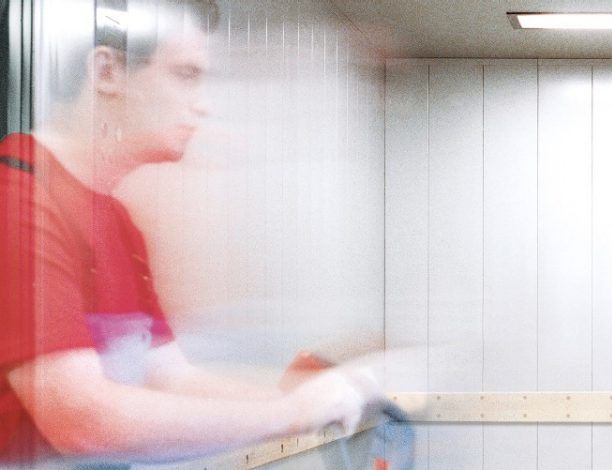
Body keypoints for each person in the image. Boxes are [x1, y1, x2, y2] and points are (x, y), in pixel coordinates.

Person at [0, 0, 377, 465]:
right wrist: (292, 414)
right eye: (185, 75)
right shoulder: (16, 201)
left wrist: (311, 398)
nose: (202, 104)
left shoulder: (116, 223)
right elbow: (82, 420)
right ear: (107, 72)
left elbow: (169, 379)